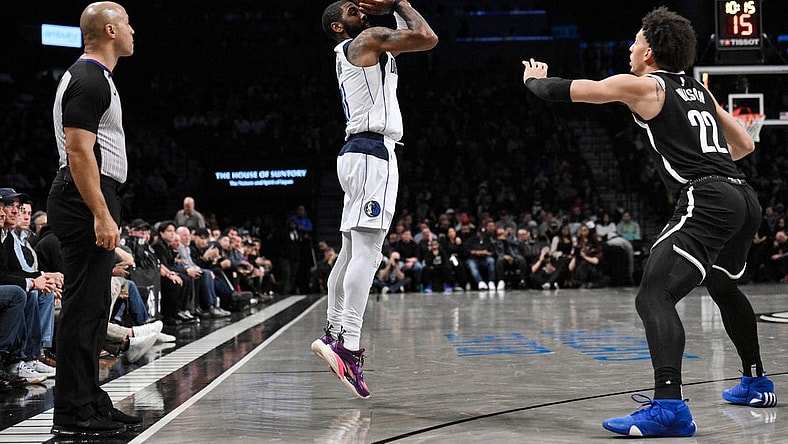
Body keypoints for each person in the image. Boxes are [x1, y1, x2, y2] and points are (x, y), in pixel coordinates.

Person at [523, 6, 776, 437]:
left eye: (636, 40)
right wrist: (710, 161)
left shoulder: (644, 87)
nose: (630, 46)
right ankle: (755, 380)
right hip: (742, 195)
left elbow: (565, 91)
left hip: (707, 196)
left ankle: (669, 405)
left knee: (653, 296)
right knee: (723, 285)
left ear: (652, 50)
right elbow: (746, 144)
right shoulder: (699, 90)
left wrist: (532, 78)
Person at [312, 0, 437, 399]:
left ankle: (333, 332)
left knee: (350, 251)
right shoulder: (367, 39)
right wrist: (398, 1)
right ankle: (347, 345)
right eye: (353, 10)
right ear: (337, 26)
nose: (362, 12)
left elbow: (410, 39)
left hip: (357, 153)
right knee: (368, 251)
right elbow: (427, 38)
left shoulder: (365, 46)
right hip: (371, 154)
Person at [46, 2, 141, 437]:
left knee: (94, 309)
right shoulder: (88, 79)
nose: (132, 30)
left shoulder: (95, 77)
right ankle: (72, 414)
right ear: (109, 30)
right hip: (85, 196)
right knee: (83, 311)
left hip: (91, 195)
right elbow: (79, 151)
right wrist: (101, 212)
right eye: (126, 24)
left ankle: (89, 399)